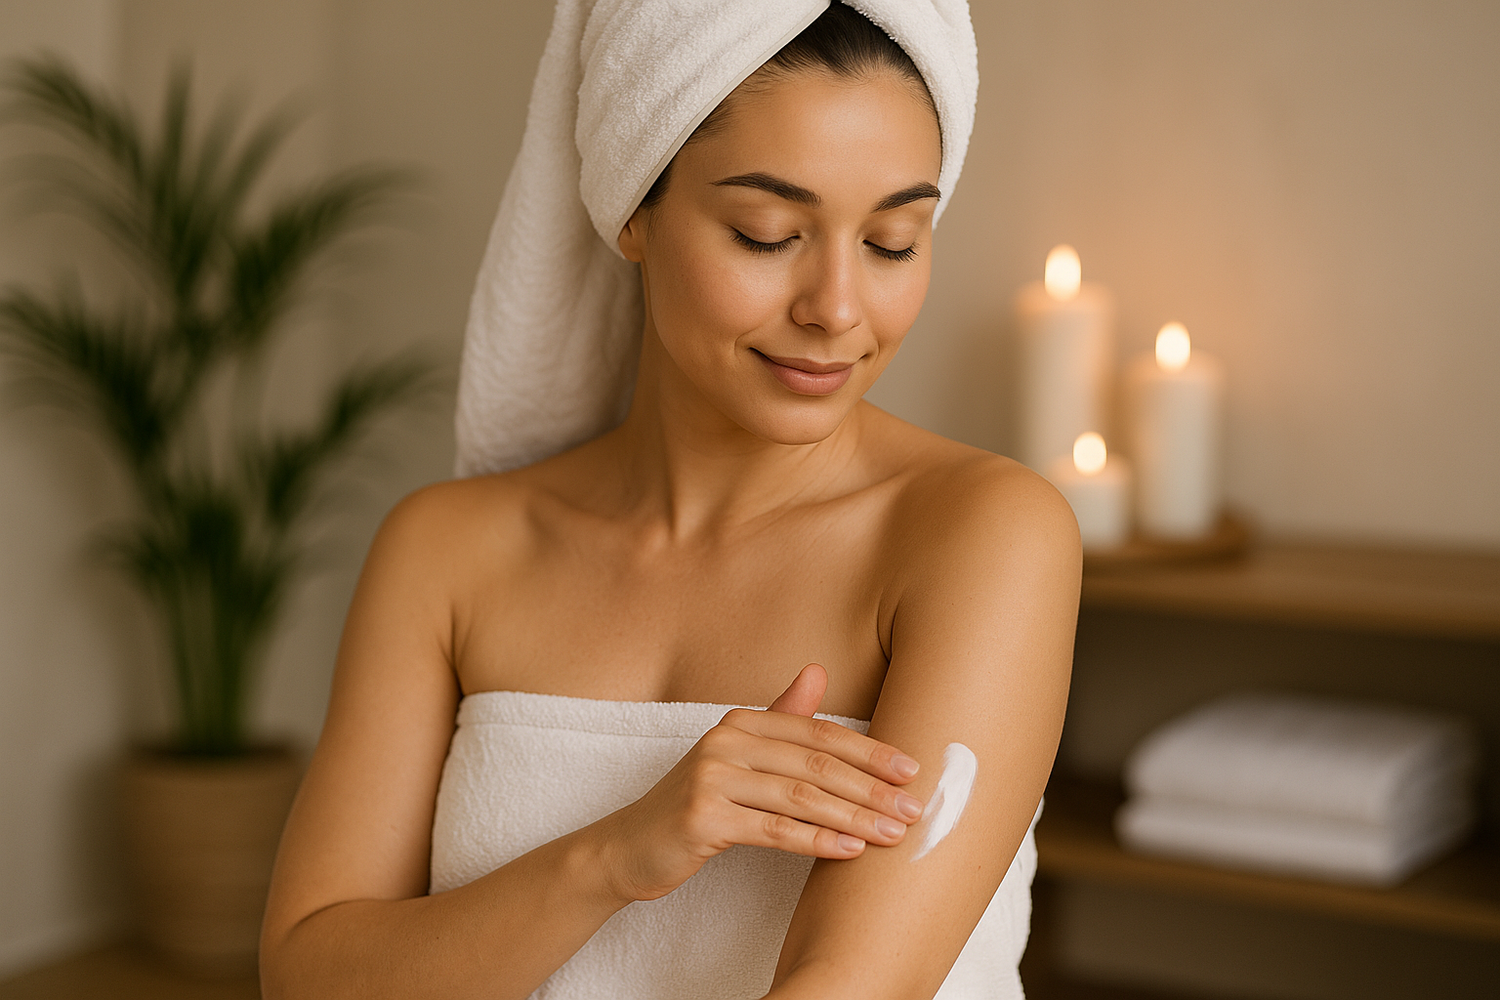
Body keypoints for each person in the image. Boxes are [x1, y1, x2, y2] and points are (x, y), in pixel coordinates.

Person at [260, 2, 1079, 998]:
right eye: (766, 233)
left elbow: (854, 985)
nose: (837, 307)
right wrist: (618, 854)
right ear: (635, 213)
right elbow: (310, 973)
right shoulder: (447, 552)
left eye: (894, 240)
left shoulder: (979, 534)